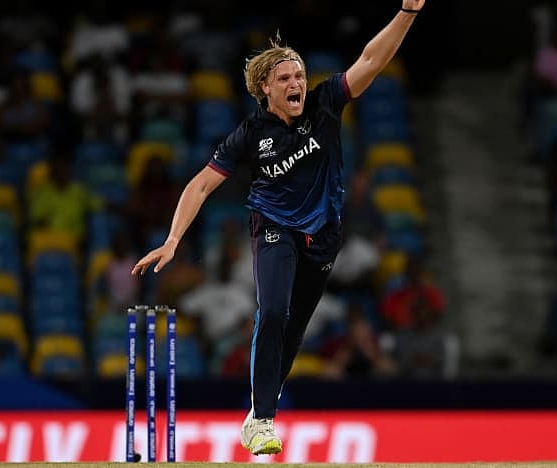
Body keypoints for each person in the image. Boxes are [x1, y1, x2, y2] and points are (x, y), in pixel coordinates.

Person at [131, 1, 427, 456]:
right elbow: (201, 184)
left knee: (293, 330)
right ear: (265, 88)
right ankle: (265, 418)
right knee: (271, 311)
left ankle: (255, 416)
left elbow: (371, 59)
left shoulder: (326, 103)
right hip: (273, 227)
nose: (297, 84)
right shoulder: (251, 133)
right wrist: (173, 239)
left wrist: (407, 11)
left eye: (300, 75)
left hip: (324, 234)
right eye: (286, 78)